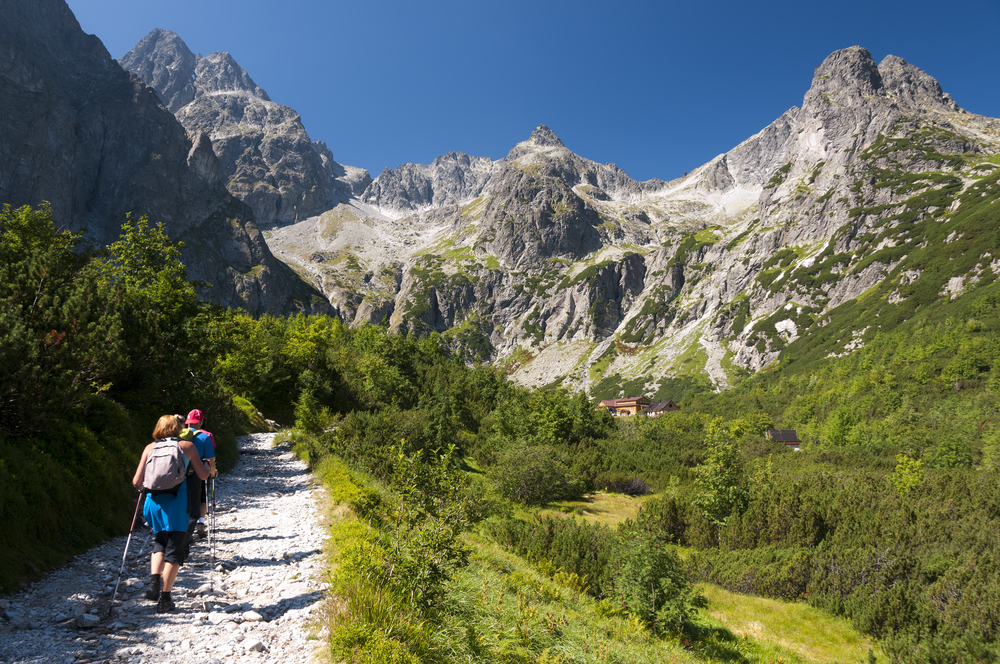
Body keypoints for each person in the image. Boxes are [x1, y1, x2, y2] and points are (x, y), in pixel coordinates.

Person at [132, 415, 210, 613]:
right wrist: (208, 466)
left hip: (153, 502)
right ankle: (165, 599)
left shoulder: (150, 448)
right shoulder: (187, 446)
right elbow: (202, 475)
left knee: (160, 541)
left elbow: (137, 482)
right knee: (175, 547)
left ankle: (154, 583)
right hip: (177, 502)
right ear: (178, 428)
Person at [183, 409, 217, 539]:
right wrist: (212, 472)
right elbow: (210, 460)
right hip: (197, 474)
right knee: (198, 501)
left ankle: (181, 531)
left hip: (177, 475)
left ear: (187, 422)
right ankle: (197, 525)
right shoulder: (205, 437)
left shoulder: (177, 435)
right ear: (201, 422)